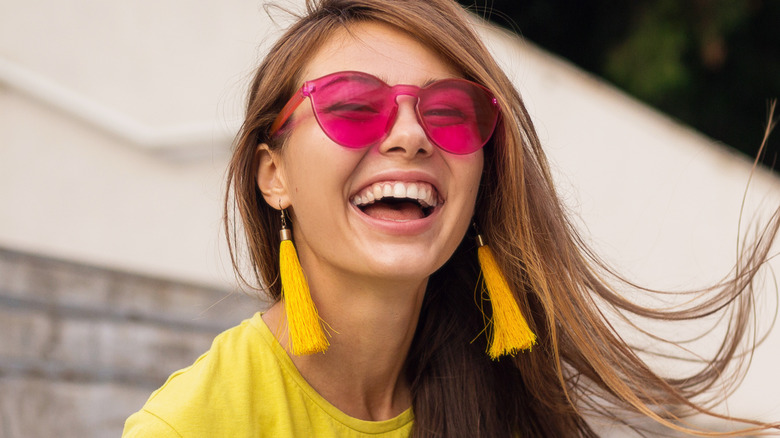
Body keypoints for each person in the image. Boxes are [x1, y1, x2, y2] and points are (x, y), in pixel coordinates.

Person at [122, 0, 780, 436]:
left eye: (451, 112)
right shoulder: (191, 424)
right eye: (353, 106)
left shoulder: (506, 398)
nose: (412, 135)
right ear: (275, 177)